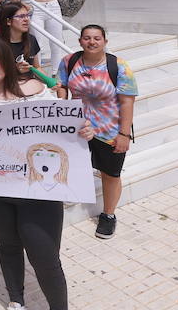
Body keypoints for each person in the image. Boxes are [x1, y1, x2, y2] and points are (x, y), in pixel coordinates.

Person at [0, 37, 94, 310]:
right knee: (7, 245)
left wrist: (83, 129)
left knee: (44, 257)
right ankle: (16, 301)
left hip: (37, 191)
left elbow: (62, 128)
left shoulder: (36, 90)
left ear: (6, 59)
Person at [57, 25, 137, 240]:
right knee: (73, 165)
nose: (92, 42)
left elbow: (127, 102)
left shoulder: (118, 66)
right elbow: (63, 86)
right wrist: (60, 92)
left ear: (105, 42)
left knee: (110, 175)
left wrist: (124, 134)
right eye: (87, 38)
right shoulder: (69, 61)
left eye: (97, 38)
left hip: (109, 131)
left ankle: (108, 215)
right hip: (77, 129)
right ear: (80, 40)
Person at [0, 2, 41, 74]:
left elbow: (37, 68)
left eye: (27, 15)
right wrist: (16, 70)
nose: (26, 19)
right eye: (21, 16)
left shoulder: (31, 39)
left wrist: (51, 82)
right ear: (8, 21)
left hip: (30, 83)